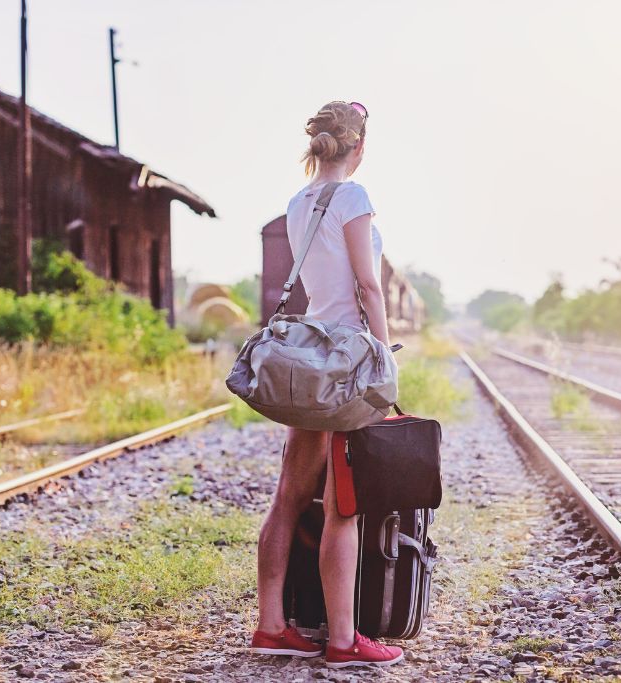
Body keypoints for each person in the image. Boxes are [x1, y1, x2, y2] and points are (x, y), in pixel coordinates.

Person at [249, 101, 403, 669]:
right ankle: (342, 641)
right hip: (347, 367)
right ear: (359, 147)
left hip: (310, 360)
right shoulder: (354, 198)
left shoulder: (297, 201)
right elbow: (368, 284)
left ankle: (271, 626)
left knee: (287, 498)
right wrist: (383, 358)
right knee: (344, 507)